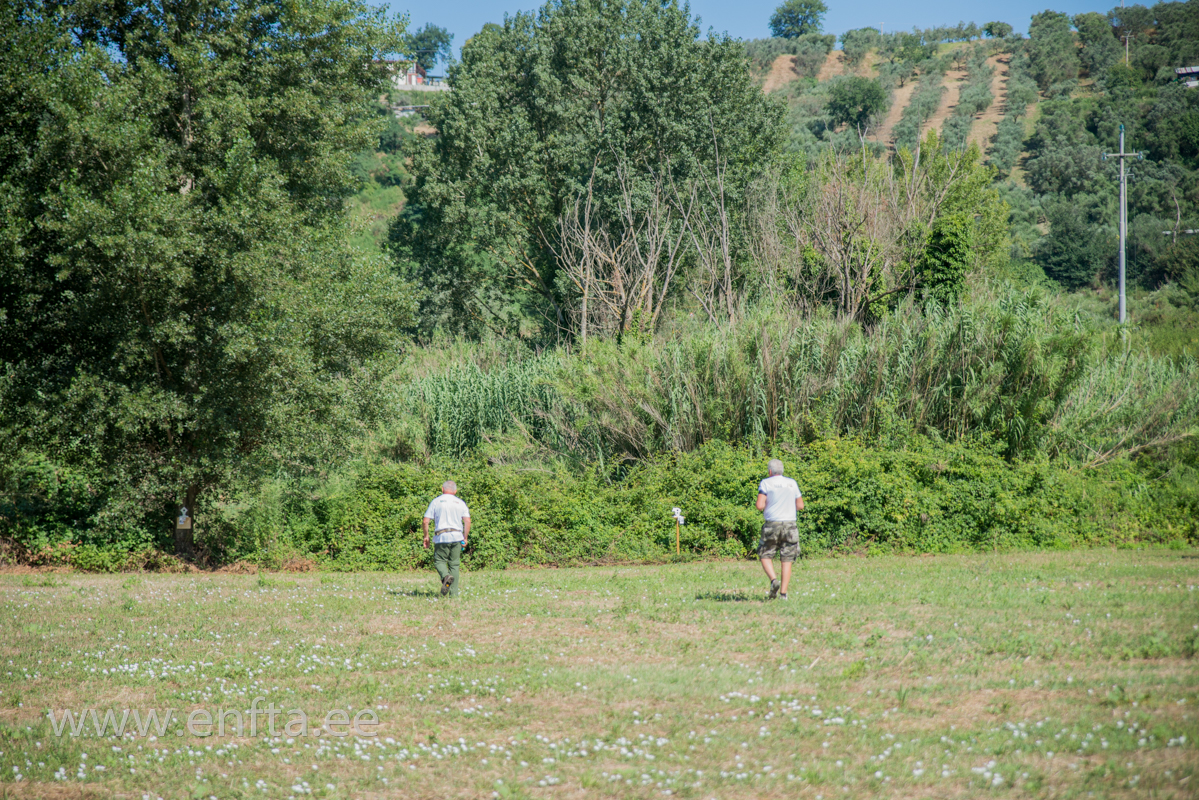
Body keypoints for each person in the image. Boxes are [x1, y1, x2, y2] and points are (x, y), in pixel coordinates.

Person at [755, 458, 804, 600]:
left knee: (765, 553)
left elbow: (759, 506)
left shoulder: (766, 483)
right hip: (790, 524)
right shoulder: (792, 483)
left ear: (770, 471)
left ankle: (773, 580)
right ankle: (783, 594)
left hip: (772, 524)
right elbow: (800, 506)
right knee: (787, 558)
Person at [422, 480, 471, 597]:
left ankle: (445, 576)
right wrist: (465, 537)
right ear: (455, 491)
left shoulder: (436, 501)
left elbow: (425, 521)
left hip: (442, 536)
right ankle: (454, 595)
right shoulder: (460, 502)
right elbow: (467, 521)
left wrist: (426, 536)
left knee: (439, 561)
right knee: (454, 564)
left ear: (442, 489)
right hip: (457, 536)